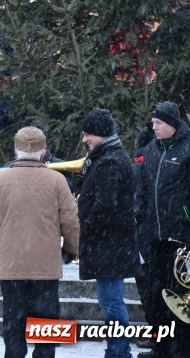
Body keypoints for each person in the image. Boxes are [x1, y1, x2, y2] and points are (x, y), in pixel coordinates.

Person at [0, 126, 80, 358]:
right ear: (43, 153)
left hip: (12, 267)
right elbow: (71, 222)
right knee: (46, 329)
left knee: (13, 326)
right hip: (46, 268)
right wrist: (70, 250)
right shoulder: (57, 180)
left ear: (16, 151)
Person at [78, 108, 139, 358]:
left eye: (88, 134)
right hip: (112, 243)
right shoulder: (108, 157)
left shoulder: (110, 160)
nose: (85, 140)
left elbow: (105, 204)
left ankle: (118, 352)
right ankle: (117, 350)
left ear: (101, 134)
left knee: (111, 302)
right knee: (111, 300)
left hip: (110, 245)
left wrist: (88, 225)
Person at [135, 101, 190, 358]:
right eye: (153, 123)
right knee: (155, 296)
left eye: (159, 123)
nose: (153, 127)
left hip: (179, 238)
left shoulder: (188, 149)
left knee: (178, 298)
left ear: (172, 124)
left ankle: (180, 349)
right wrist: (141, 222)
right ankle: (162, 347)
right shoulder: (151, 149)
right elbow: (143, 191)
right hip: (153, 237)